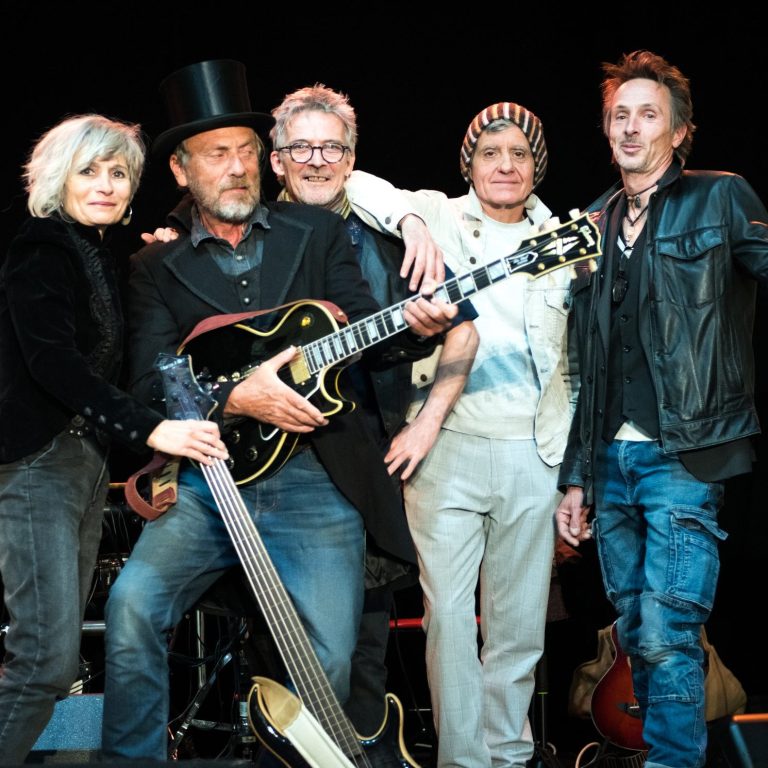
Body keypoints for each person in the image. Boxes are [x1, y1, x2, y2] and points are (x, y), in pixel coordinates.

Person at [100, 59, 456, 762]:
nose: (236, 167)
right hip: (208, 481)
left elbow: (367, 333)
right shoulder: (153, 266)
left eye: (245, 150)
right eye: (215, 154)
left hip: (315, 477)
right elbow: (147, 383)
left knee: (328, 660)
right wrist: (233, 397)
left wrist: (415, 329)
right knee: (131, 607)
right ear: (180, 170)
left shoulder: (315, 233)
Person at [346, 102, 578, 767]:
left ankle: (509, 755)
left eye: (519, 154)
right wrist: (413, 223)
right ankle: (462, 759)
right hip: (445, 442)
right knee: (447, 617)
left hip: (533, 449)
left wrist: (573, 474)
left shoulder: (566, 239)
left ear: (537, 166)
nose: (505, 166)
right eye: (489, 154)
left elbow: (579, 362)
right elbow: (354, 183)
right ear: (469, 165)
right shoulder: (437, 214)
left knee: (518, 625)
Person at [556, 49, 768, 768]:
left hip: (684, 449)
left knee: (667, 632)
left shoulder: (720, 198)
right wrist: (576, 478)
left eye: (648, 115)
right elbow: (586, 364)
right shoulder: (591, 221)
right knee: (634, 632)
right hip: (610, 459)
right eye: (620, 115)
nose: (631, 127)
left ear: (678, 132)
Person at [0, 113, 227, 764]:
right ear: (57, 178)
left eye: (119, 173)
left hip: (82, 462)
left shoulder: (93, 253)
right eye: (89, 170)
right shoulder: (42, 248)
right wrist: (156, 429)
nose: (105, 184)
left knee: (52, 659)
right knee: (43, 661)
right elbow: (55, 364)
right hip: (39, 461)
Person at [268, 84, 479, 741]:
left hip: (365, 467)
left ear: (352, 160)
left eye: (332, 148)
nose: (317, 161)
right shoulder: (238, 232)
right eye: (302, 148)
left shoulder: (394, 244)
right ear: (277, 159)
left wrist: (426, 421)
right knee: (275, 649)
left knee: (363, 650)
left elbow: (463, 331)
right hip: (260, 472)